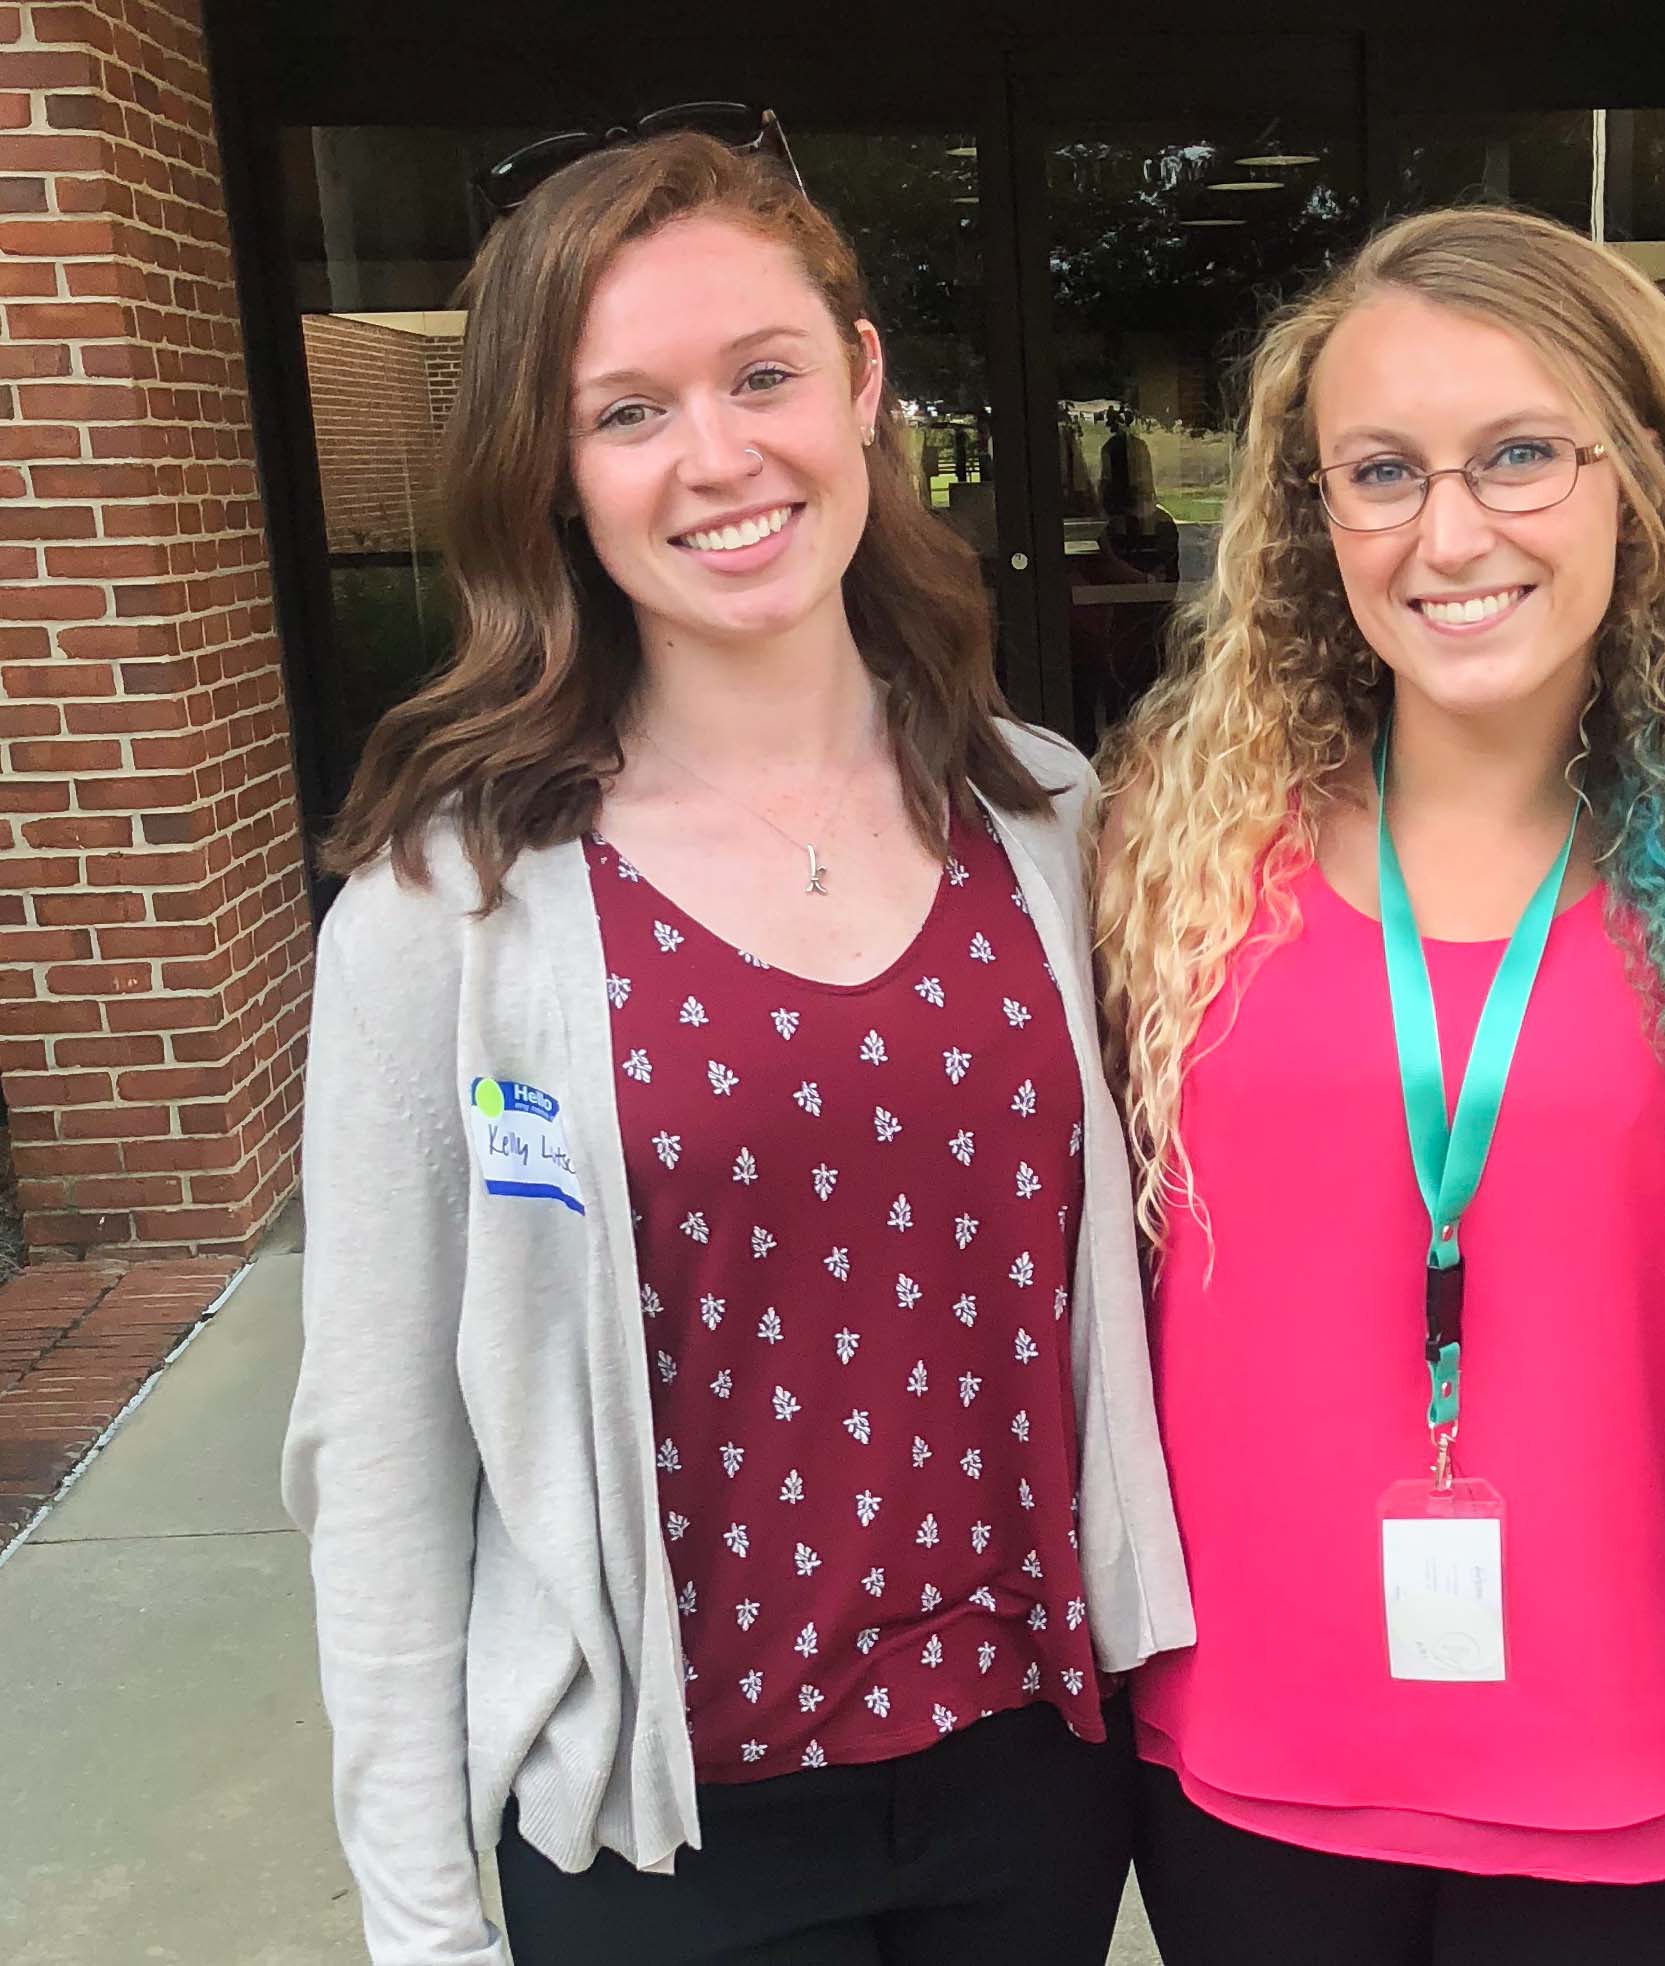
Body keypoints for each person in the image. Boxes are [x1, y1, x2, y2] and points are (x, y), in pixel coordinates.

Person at [281, 129, 1190, 1966]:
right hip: (663, 1829)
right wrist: (423, 1923)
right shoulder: (452, 915)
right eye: (628, 411)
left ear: (862, 387)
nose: (718, 457)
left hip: (1031, 1775)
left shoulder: (1053, 823)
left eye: (763, 375)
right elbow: (379, 1462)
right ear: (554, 469)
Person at [1091, 204, 1665, 1966]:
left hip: (1633, 1773)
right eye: (1381, 471)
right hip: (1245, 1770)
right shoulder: (1176, 854)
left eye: (1519, 454)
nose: (1449, 533)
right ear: (1318, 518)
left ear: (1639, 484)